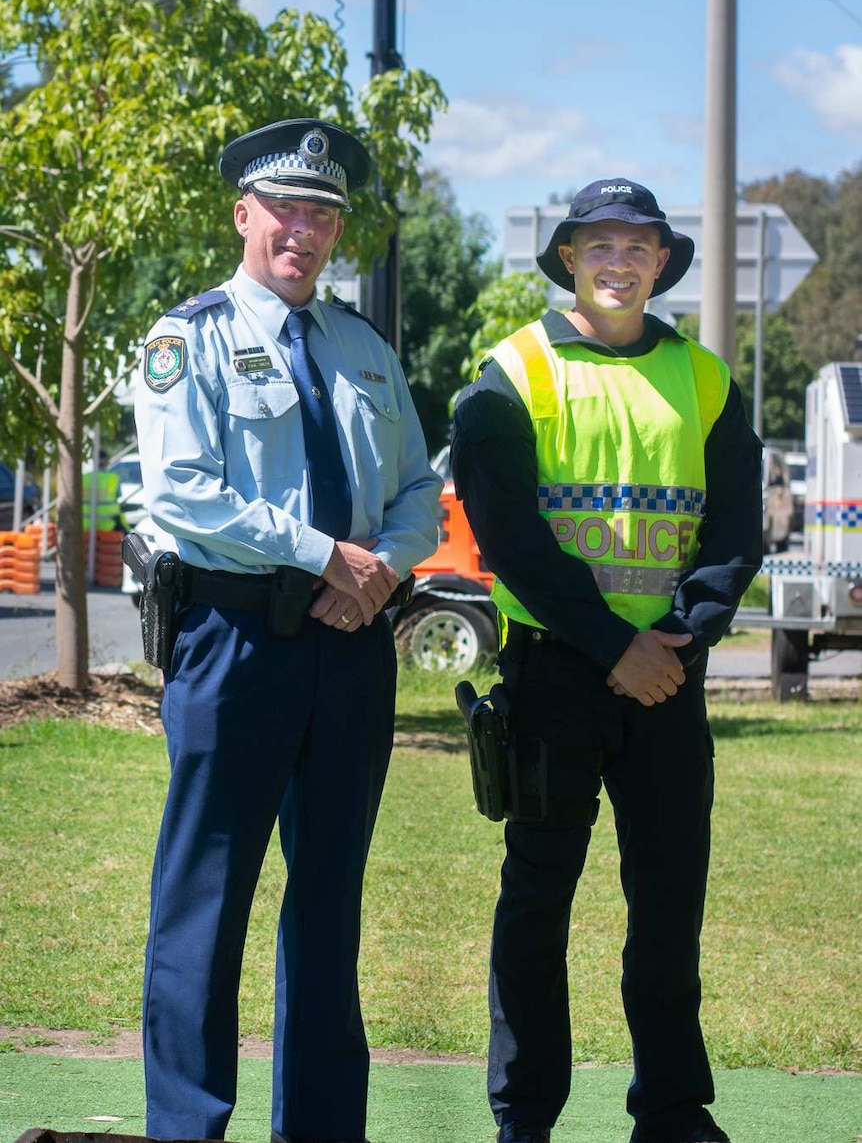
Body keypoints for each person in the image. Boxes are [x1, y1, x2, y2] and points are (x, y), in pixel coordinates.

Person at [134, 118, 441, 1143]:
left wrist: (383, 568)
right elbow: (185, 493)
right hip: (236, 644)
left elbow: (415, 494)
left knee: (328, 907)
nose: (302, 231)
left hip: (352, 649)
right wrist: (324, 556)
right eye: (284, 210)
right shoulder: (192, 337)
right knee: (204, 905)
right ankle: (189, 1128)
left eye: (322, 214)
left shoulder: (363, 349)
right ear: (243, 215)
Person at [451, 179, 763, 1143]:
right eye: (599, 246)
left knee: (668, 906)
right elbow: (509, 539)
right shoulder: (511, 373)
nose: (619, 261)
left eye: (638, 245)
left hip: (668, 675)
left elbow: (736, 529)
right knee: (536, 904)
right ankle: (526, 1117)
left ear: (662, 261)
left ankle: (671, 1113)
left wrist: (678, 634)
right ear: (569, 261)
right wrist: (611, 644)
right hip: (553, 679)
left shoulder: (707, 379)